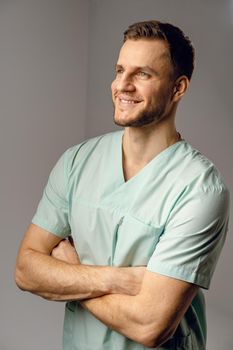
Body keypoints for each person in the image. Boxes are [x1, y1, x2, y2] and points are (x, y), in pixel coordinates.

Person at [15, 20, 229, 350]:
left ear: (178, 88)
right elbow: (27, 270)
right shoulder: (77, 161)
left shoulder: (200, 190)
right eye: (119, 70)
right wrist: (119, 279)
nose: (122, 85)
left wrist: (71, 273)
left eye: (142, 74)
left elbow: (150, 326)